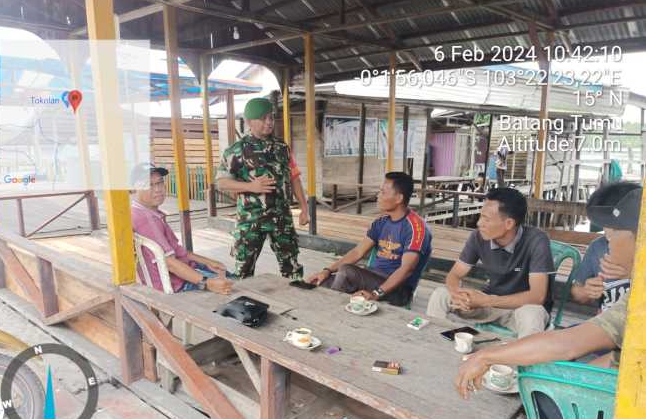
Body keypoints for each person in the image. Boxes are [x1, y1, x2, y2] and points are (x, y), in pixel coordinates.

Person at [455, 182, 643, 401]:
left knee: (548, 396)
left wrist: (486, 356)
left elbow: (566, 343)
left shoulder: (535, 240)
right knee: (558, 381)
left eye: (610, 237)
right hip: (612, 352)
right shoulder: (478, 239)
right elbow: (610, 356)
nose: (607, 245)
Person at [427, 188, 553, 338]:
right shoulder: (478, 237)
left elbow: (537, 297)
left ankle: (522, 359)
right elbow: (454, 275)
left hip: (520, 309)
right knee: (441, 295)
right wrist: (457, 294)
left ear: (509, 223)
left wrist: (486, 300)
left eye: (486, 219)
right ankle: (432, 340)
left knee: (532, 314)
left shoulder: (537, 241)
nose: (479, 223)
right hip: (488, 305)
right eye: (481, 217)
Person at [216, 97, 309, 279]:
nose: (269, 122)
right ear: (249, 121)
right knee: (244, 270)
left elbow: (295, 178)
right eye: (263, 118)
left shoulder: (282, 148)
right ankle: (246, 304)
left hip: (281, 217)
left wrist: (304, 208)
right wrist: (251, 186)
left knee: (292, 267)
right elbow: (221, 182)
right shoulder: (236, 151)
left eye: (271, 117)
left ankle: (297, 302)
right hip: (250, 220)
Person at [307, 172, 432, 307]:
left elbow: (406, 270)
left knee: (346, 272)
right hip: (371, 277)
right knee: (322, 282)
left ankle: (334, 313)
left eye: (383, 192)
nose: (378, 196)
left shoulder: (416, 228)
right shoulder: (381, 221)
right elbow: (357, 252)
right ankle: (334, 312)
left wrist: (375, 294)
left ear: (399, 198)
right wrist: (326, 271)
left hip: (398, 290)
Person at [131, 163, 233, 295]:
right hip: (179, 284)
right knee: (237, 286)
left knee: (227, 275)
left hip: (185, 270)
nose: (158, 189)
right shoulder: (146, 219)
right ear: (135, 188)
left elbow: (178, 252)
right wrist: (206, 283)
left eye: (160, 183)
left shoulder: (140, 211)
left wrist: (207, 262)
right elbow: (169, 263)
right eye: (149, 185)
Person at [570, 183, 638, 312]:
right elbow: (576, 292)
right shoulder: (598, 247)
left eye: (616, 227)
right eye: (603, 223)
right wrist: (586, 291)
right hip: (606, 323)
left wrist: (631, 274)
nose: (607, 230)